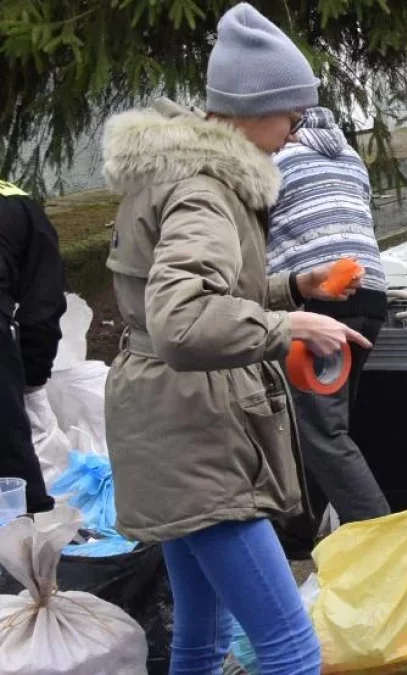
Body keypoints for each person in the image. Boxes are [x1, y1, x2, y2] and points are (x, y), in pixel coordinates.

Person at [102, 4, 369, 673]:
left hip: (165, 422)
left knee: (201, 633)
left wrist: (292, 287)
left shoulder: (172, 170)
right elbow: (183, 318)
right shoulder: (206, 190)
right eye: (292, 113)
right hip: (197, 438)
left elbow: (173, 301)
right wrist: (289, 327)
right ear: (255, 107)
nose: (296, 128)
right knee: (290, 648)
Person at [268, 106, 391, 549]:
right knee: (322, 424)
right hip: (370, 296)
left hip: (320, 297)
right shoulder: (348, 155)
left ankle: (386, 540)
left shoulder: (274, 159)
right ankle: (300, 532)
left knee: (321, 430)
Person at [0, 179, 66, 516]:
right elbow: (41, 309)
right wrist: (32, 379)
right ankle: (31, 555)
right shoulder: (18, 204)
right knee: (16, 481)